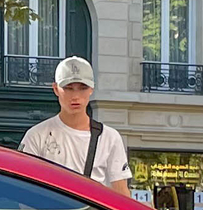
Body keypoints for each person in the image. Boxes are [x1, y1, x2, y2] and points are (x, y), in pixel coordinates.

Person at [19, 57, 131, 193]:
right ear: (55, 89)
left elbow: (121, 193)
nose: (76, 96)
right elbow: (24, 190)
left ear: (92, 89)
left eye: (83, 88)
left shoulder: (109, 138)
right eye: (68, 88)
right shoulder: (36, 136)